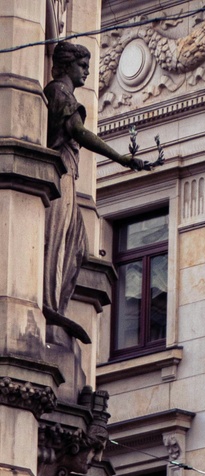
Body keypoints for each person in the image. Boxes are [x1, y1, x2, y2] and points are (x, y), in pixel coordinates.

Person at [44, 41, 151, 342]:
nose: (88, 71)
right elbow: (79, 132)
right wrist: (120, 157)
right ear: (66, 66)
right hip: (61, 173)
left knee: (78, 247)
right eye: (82, 65)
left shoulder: (64, 93)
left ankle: (57, 304)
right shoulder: (58, 91)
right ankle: (50, 303)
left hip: (69, 175)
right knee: (58, 240)